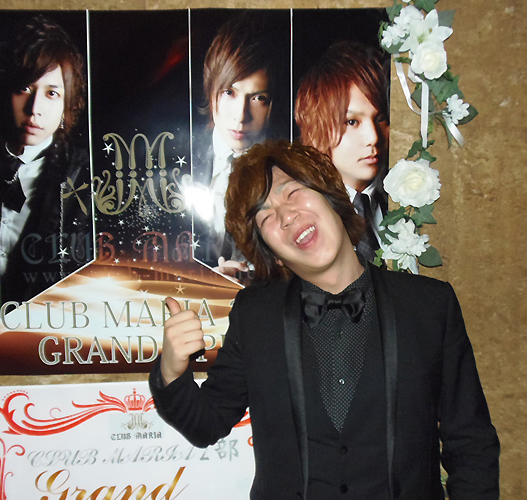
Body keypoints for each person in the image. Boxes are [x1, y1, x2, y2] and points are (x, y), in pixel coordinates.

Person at [150, 140, 499, 499]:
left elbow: (471, 444)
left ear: (333, 198)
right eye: (266, 217)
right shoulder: (254, 315)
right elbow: (206, 424)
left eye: (292, 193)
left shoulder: (428, 305)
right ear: (272, 253)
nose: (286, 217)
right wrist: (172, 370)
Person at [0, 15, 92, 304]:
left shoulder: (84, 177)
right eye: (24, 88)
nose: (34, 108)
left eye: (51, 93)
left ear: (66, 104)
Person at [190, 14, 281, 278]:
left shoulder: (289, 167)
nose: (241, 116)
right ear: (211, 91)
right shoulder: (178, 159)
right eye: (229, 93)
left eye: (257, 98)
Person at [295, 41, 390, 264]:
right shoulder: (298, 214)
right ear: (317, 125)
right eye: (352, 121)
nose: (373, 137)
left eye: (381, 118)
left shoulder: (405, 199)